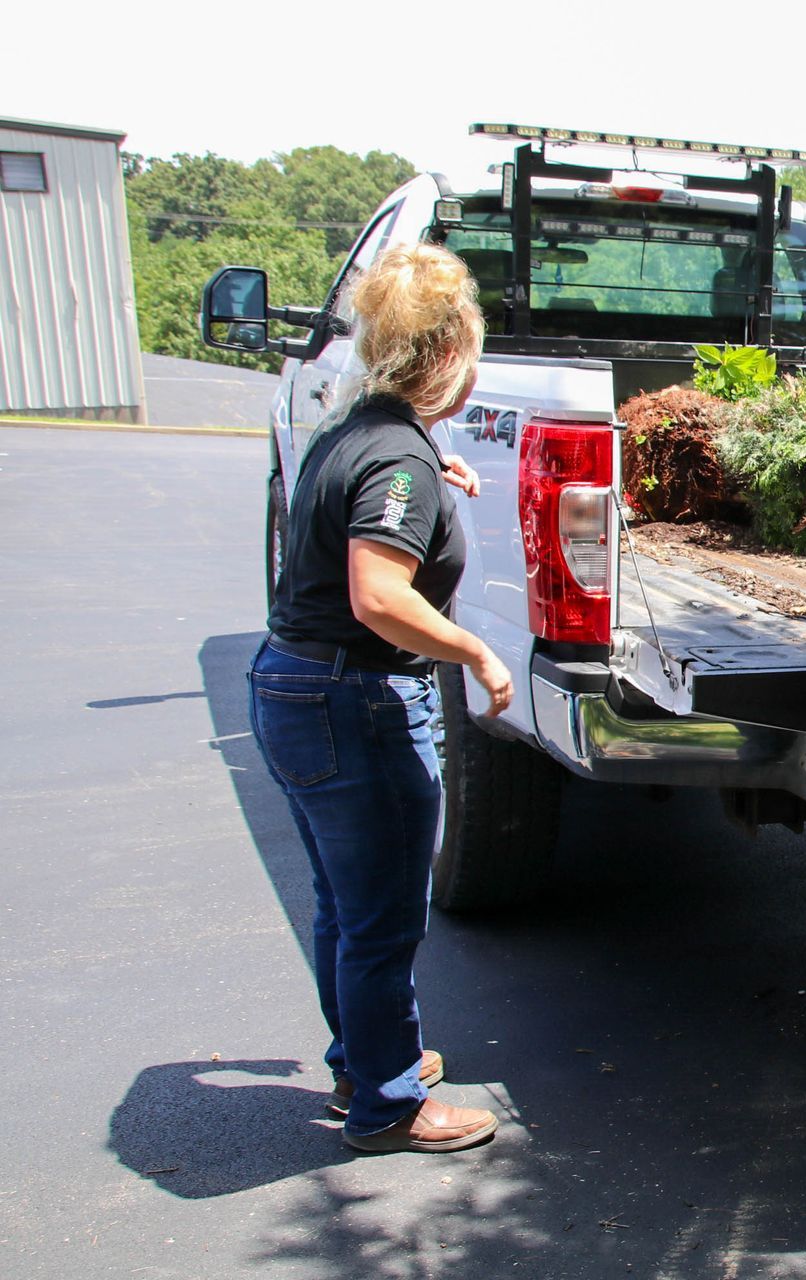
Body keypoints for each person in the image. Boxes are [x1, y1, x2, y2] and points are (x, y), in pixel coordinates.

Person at [247, 242, 513, 1154]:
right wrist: (475, 649)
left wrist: (435, 479)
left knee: (344, 905)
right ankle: (389, 1103)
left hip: (293, 684)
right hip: (355, 702)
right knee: (383, 919)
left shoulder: (356, 430)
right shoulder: (398, 460)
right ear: (445, 354)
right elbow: (377, 595)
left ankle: (363, 1060)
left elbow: (367, 507)